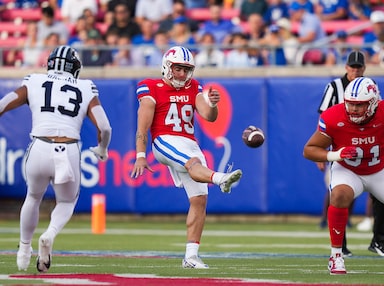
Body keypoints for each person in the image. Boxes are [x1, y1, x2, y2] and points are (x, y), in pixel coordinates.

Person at [303, 76, 384, 274]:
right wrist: (336, 154)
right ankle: (336, 255)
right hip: (348, 169)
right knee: (339, 195)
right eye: (351, 104)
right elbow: (309, 149)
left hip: (380, 169)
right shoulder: (333, 116)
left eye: (359, 105)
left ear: (373, 103)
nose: (353, 109)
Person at [130, 46, 243, 268]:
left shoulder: (194, 87)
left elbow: (209, 116)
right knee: (193, 164)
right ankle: (221, 179)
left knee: (199, 199)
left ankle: (191, 256)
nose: (182, 74)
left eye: (186, 69)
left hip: (189, 142)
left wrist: (213, 103)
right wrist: (140, 154)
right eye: (178, 69)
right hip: (164, 140)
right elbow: (142, 124)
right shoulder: (150, 86)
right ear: (167, 67)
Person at [8, 45, 111, 272]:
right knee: (66, 202)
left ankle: (24, 249)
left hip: (39, 146)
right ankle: (50, 233)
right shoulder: (85, 87)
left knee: (33, 198)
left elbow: (4, 103)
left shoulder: (34, 80)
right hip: (68, 148)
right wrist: (102, 149)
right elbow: (105, 127)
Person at [317, 50, 384, 257]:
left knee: (381, 194)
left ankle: (379, 240)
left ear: (364, 68)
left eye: (359, 67)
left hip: (369, 146)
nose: (355, 71)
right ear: (346, 67)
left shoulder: (371, 85)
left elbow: (382, 113)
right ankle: (339, 244)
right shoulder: (334, 87)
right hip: (341, 149)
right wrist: (322, 150)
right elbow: (323, 119)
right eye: (353, 67)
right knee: (340, 193)